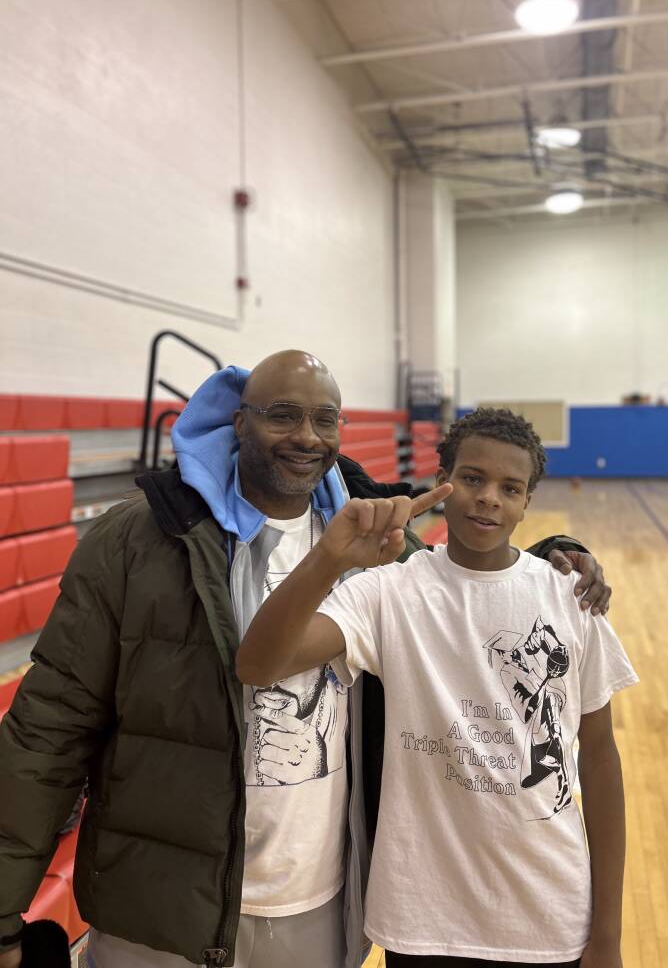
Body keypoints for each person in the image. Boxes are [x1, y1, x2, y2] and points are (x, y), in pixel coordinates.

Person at [0, 354, 612, 968]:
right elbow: (48, 728)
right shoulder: (137, 540)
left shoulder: (385, 547)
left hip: (320, 903)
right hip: (161, 908)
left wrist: (557, 561)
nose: (306, 436)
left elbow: (473, 592)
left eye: (324, 419)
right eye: (282, 415)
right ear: (239, 421)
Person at [236, 407, 638, 968]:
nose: (488, 498)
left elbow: (599, 760)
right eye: (472, 478)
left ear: (527, 502)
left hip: (549, 913)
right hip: (421, 920)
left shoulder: (570, 598)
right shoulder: (388, 591)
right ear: (442, 480)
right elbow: (259, 663)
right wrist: (330, 557)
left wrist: (608, 933)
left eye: (510, 487)